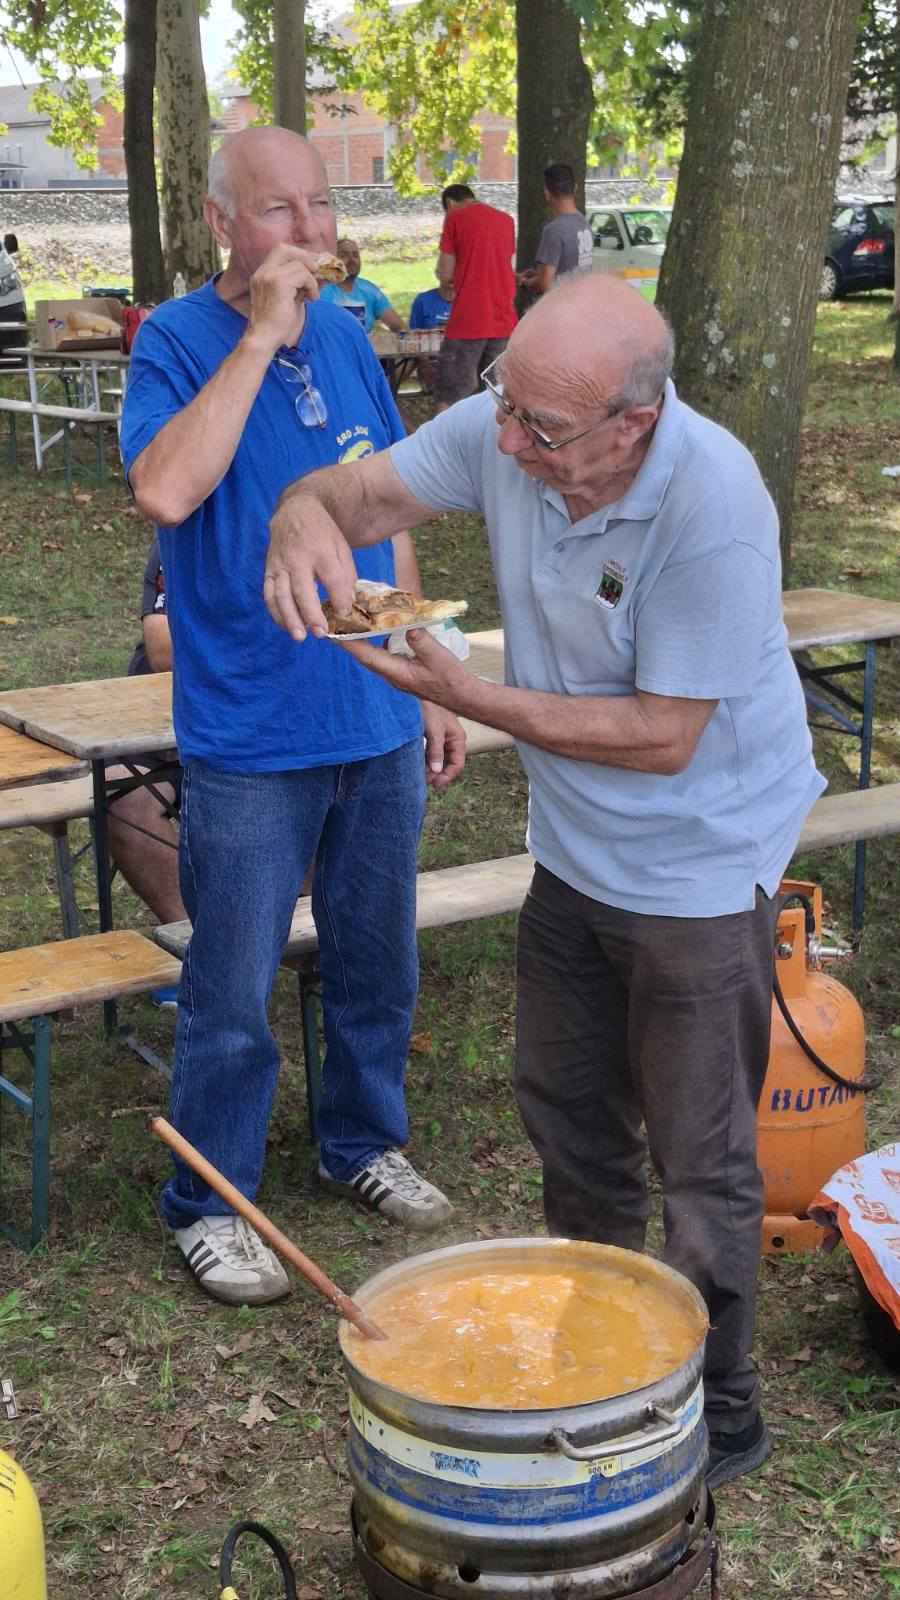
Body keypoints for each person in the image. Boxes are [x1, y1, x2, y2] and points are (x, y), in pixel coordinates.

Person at [262, 271, 826, 1489]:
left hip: (700, 857)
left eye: (543, 427)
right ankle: (607, 1352)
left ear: (635, 422)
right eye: (504, 404)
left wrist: (469, 696)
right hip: (573, 852)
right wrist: (299, 515)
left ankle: (717, 1402)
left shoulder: (713, 501)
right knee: (568, 1112)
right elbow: (354, 491)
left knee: (701, 1154)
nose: (509, 443)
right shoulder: (512, 422)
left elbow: (664, 735)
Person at [119, 125, 464, 1309]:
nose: (310, 231)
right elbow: (165, 489)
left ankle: (362, 1141)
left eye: (320, 204)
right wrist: (261, 334)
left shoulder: (351, 332)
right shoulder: (177, 339)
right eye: (279, 210)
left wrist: (419, 662)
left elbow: (388, 498)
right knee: (233, 982)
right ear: (222, 223)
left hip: (372, 708)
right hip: (253, 727)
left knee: (376, 958)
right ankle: (209, 1199)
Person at [106, 535, 187, 1009]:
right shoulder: (183, 528)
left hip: (269, 730)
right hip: (165, 722)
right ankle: (193, 942)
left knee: (315, 781)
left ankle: (301, 936)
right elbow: (163, 652)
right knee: (121, 791)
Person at [434, 183, 516, 412]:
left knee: (450, 394)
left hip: (468, 319)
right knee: (497, 396)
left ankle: (441, 436)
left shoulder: (455, 218)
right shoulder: (506, 220)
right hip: (503, 319)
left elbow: (446, 271)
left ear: (450, 203)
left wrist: (443, 274)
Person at [517, 162, 593, 296]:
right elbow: (570, 268)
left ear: (547, 193)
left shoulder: (554, 230)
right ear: (575, 188)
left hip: (563, 303)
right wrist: (538, 274)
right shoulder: (584, 223)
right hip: (583, 298)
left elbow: (544, 284)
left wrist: (523, 282)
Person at [318, 238, 406, 335]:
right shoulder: (320, 290)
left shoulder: (369, 290)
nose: (351, 260)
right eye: (344, 255)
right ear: (333, 261)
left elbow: (400, 327)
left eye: (355, 255)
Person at [409, 279, 454, 394]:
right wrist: (424, 363)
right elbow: (413, 336)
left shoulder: (470, 301)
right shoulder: (423, 300)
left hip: (461, 363)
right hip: (431, 362)